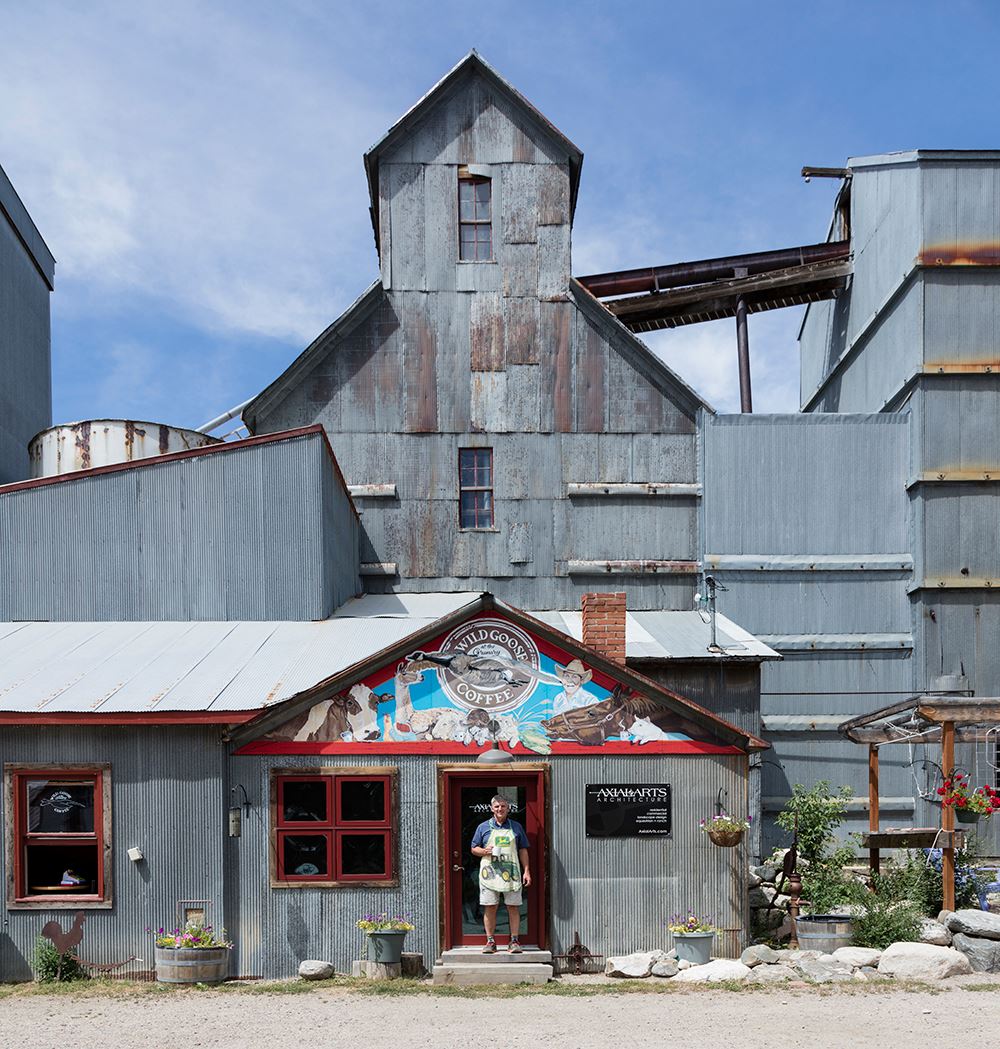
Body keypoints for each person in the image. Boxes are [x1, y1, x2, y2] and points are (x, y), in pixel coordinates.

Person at [470, 794, 531, 953]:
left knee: (513, 907)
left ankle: (514, 941)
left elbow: (523, 850)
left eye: (503, 806)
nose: (500, 809)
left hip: (511, 874)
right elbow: (473, 848)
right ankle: (490, 942)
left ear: (508, 808)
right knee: (490, 907)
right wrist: (484, 851)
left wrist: (527, 871)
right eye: (497, 806)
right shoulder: (483, 827)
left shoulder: (516, 827)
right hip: (489, 874)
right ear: (492, 809)